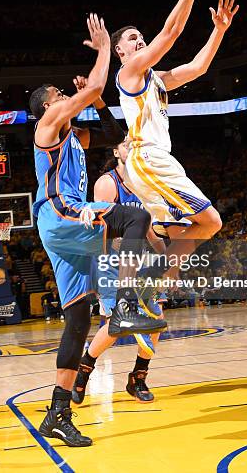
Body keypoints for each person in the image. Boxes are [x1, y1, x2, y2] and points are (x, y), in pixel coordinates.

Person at [30, 14, 166, 448]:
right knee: (135, 218)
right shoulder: (46, 129)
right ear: (47, 108)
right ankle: (127, 305)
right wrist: (105, 47)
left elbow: (113, 136)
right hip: (60, 214)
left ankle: (58, 412)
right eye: (57, 95)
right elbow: (89, 89)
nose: (63, 96)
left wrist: (100, 103)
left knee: (77, 319)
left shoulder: (73, 135)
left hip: (65, 228)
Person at [111, 0, 239, 282]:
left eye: (141, 36)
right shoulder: (128, 73)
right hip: (148, 158)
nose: (140, 40)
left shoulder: (156, 78)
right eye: (133, 39)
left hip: (158, 160)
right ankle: (143, 281)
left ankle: (145, 285)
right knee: (209, 222)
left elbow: (198, 67)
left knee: (201, 229)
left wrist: (218, 30)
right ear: (121, 52)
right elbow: (171, 32)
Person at [72, 133, 166, 404]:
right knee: (117, 322)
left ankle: (138, 378)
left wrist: (168, 259)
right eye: (127, 144)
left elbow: (149, 232)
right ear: (116, 152)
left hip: (138, 262)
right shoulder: (107, 183)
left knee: (155, 321)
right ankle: (84, 371)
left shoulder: (144, 185)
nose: (132, 148)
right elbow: (99, 232)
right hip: (110, 262)